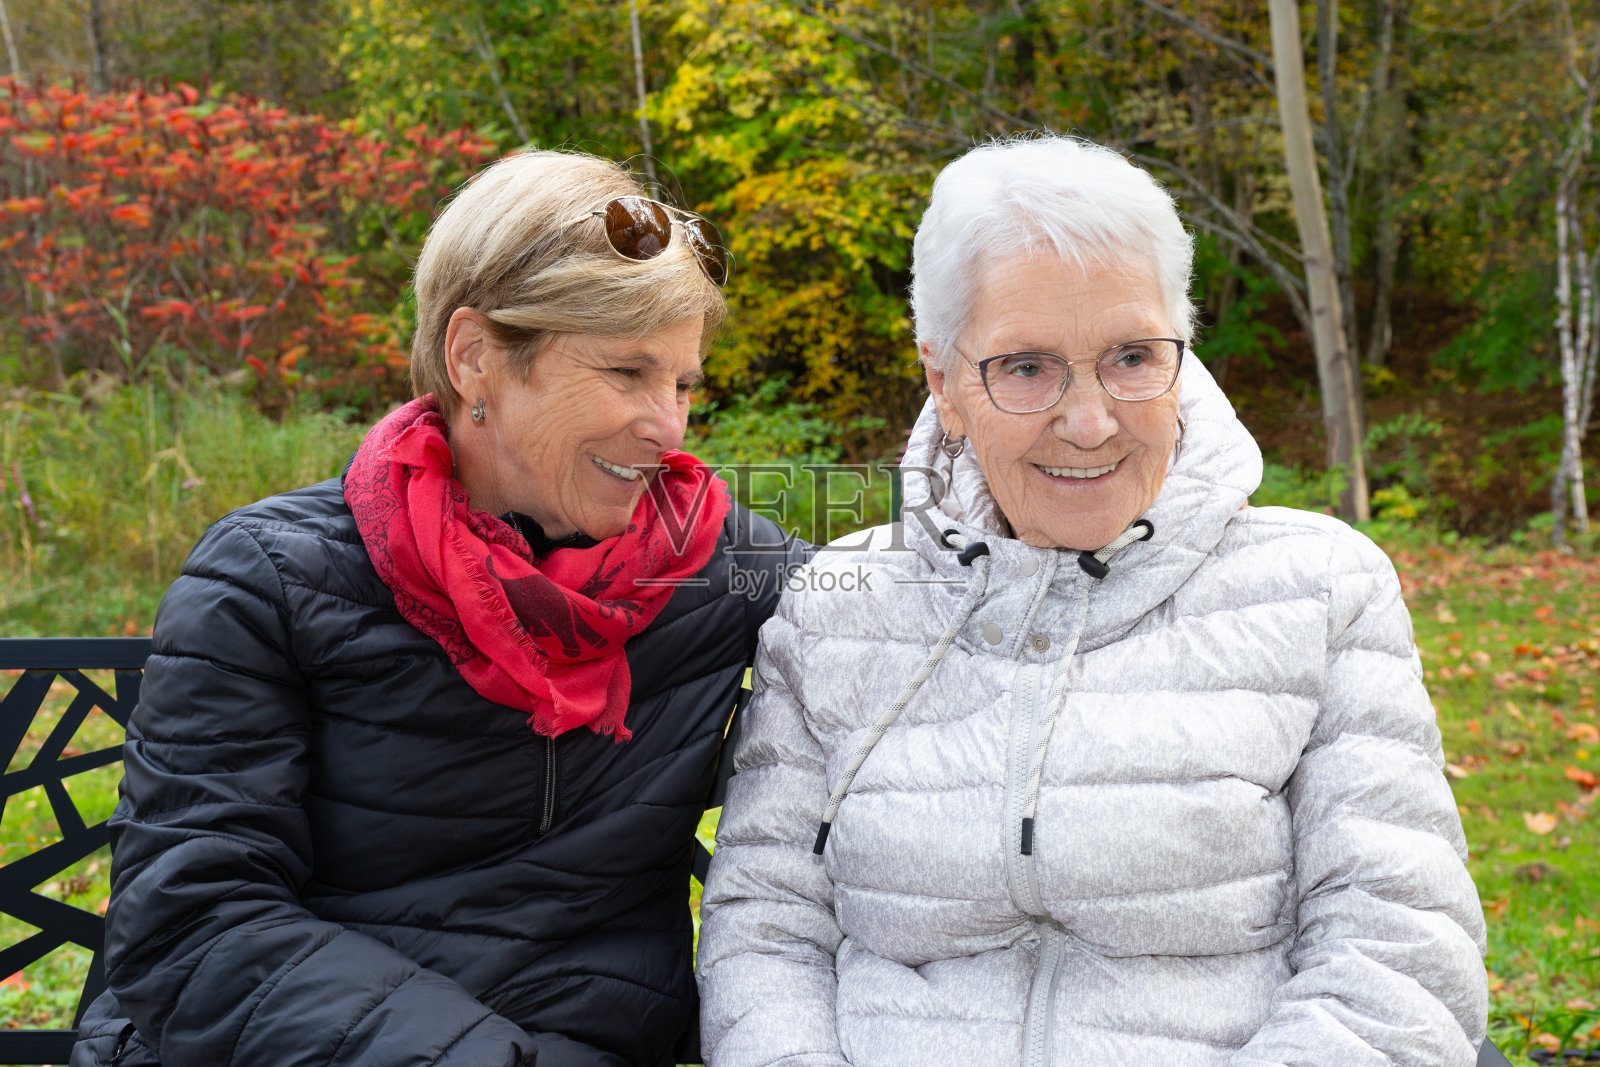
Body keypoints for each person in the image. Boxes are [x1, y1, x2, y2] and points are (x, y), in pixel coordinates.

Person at [696, 135, 1487, 1067]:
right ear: (943, 382)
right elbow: (766, 932)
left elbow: (1398, 951)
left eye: (1131, 356)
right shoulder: (838, 608)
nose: (1089, 420)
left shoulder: (1317, 590)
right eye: (1026, 366)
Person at [70, 150, 806, 1067]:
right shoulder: (269, 578)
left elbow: (936, 604)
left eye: (686, 382)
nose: (669, 425)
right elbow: (192, 925)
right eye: (626, 372)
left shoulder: (719, 565)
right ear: (474, 358)